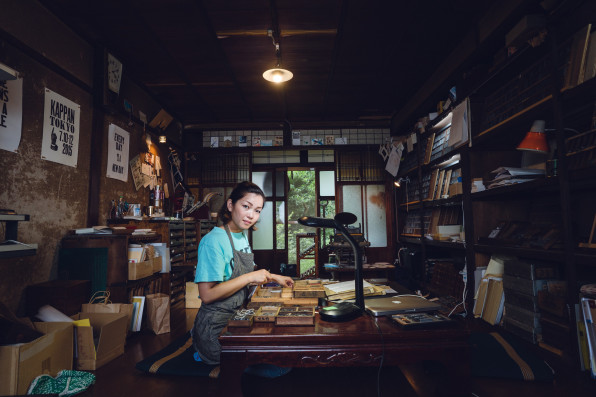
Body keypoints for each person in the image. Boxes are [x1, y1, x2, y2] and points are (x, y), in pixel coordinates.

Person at [191, 181, 294, 376]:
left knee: (284, 349)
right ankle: (201, 346)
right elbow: (206, 295)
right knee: (279, 368)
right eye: (245, 206)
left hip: (237, 319)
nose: (251, 215)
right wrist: (249, 277)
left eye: (257, 210)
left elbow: (243, 271)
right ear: (230, 206)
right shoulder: (213, 241)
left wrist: (273, 277)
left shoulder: (241, 235)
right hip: (216, 328)